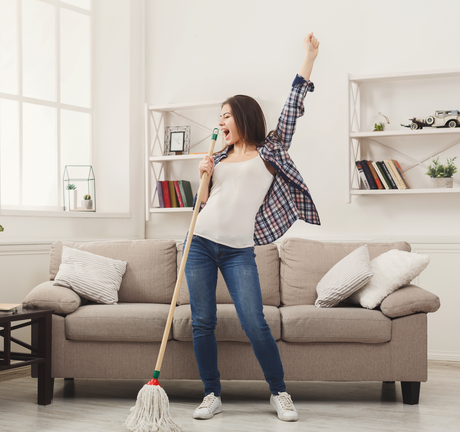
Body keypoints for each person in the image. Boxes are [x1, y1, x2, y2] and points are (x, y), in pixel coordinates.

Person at [184, 32, 321, 422]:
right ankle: (212, 394)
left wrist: (309, 56)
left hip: (239, 249)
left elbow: (294, 105)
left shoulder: (271, 150)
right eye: (219, 117)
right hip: (198, 242)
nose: (220, 122)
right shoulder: (218, 156)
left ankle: (279, 392)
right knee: (202, 321)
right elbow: (203, 206)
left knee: (254, 321)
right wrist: (204, 175)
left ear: (243, 117)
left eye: (225, 115)